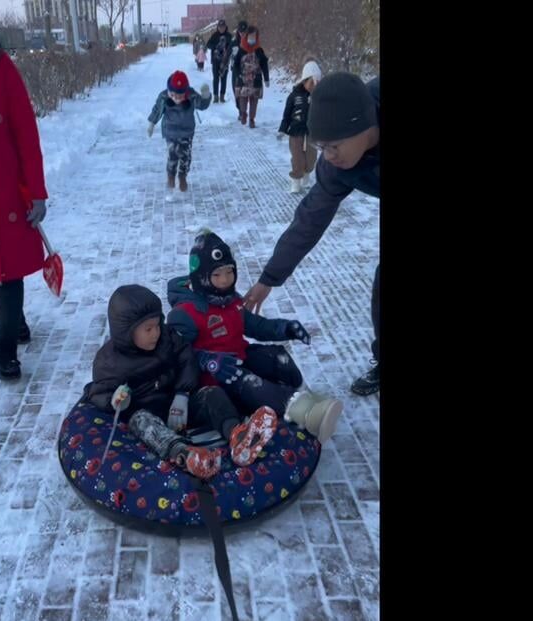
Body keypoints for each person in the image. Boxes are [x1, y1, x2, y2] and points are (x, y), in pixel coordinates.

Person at [243, 72, 382, 396]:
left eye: (333, 146)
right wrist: (269, 278)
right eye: (321, 147)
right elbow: (309, 219)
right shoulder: (336, 167)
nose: (328, 156)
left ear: (363, 127)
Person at [81, 285, 281, 478]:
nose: (156, 333)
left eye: (157, 324)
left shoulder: (167, 337)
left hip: (178, 404)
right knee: (142, 421)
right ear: (126, 332)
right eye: (148, 329)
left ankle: (238, 436)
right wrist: (116, 401)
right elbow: (98, 392)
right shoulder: (110, 361)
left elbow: (187, 358)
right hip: (147, 413)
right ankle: (186, 456)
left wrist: (182, 394)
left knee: (211, 394)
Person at [167, 231, 344, 442]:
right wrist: (207, 360)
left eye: (229, 272)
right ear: (202, 277)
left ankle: (306, 397)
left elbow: (255, 326)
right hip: (213, 378)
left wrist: (285, 328)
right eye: (216, 275)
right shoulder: (186, 313)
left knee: (279, 357)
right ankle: (304, 413)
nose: (225, 280)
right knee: (250, 382)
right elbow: (176, 354)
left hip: (238, 358)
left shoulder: (231, 301)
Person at [0, 14, 49, 382]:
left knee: (7, 269)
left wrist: (36, 191)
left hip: (4, 188)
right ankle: (15, 318)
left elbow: (25, 130)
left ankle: (6, 348)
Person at [147, 71, 212, 193]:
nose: (176, 98)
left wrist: (206, 95)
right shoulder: (164, 97)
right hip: (170, 131)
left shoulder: (191, 95)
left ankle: (182, 176)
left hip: (186, 132)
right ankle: (171, 175)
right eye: (173, 95)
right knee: (173, 154)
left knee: (185, 156)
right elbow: (157, 110)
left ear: (185, 92)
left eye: (180, 95)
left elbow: (202, 105)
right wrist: (151, 124)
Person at [278, 59, 322, 193]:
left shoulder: (319, 96)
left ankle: (307, 174)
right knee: (297, 159)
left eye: (316, 83)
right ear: (304, 80)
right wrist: (282, 130)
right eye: (311, 83)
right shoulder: (294, 96)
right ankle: (295, 181)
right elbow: (286, 115)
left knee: (311, 158)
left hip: (312, 133)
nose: (313, 86)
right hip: (296, 132)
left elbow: (326, 114)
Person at [232, 25, 269, 128]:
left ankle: (252, 119)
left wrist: (266, 78)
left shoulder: (259, 50)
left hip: (256, 78)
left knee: (254, 100)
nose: (252, 38)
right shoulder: (242, 49)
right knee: (242, 98)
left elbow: (264, 64)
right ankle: (243, 113)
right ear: (247, 36)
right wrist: (238, 74)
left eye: (254, 36)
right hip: (243, 78)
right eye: (250, 36)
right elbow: (236, 64)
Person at [205, 20, 234, 103]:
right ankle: (215, 96)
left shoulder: (229, 36)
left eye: (223, 27)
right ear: (218, 27)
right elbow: (208, 45)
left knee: (224, 79)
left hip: (225, 60)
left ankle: (222, 96)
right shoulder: (214, 35)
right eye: (220, 27)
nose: (221, 28)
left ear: (225, 27)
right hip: (215, 60)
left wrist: (227, 49)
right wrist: (216, 46)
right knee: (216, 79)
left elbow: (232, 46)